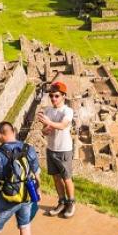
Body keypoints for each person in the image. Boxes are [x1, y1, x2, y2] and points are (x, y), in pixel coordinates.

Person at [37, 81, 76, 218]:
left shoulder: (67, 111)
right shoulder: (48, 110)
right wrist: (46, 127)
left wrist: (48, 123)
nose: (53, 98)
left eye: (57, 96)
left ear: (63, 96)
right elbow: (45, 132)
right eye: (51, 96)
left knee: (67, 178)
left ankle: (71, 203)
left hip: (64, 149)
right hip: (51, 148)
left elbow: (63, 125)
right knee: (56, 177)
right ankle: (62, 201)